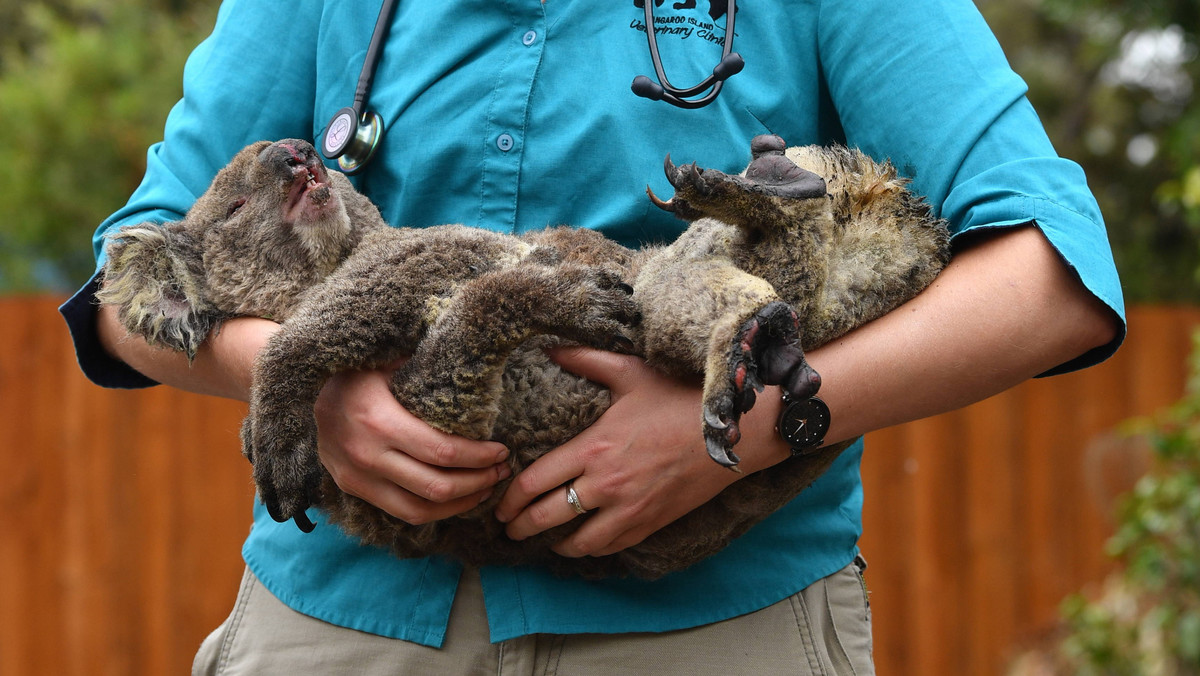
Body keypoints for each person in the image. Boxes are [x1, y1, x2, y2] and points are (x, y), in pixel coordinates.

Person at [60, 1, 1125, 673]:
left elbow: (1050, 277)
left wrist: (747, 428)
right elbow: (132, 278)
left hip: (710, 626)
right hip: (339, 623)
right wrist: (305, 390)